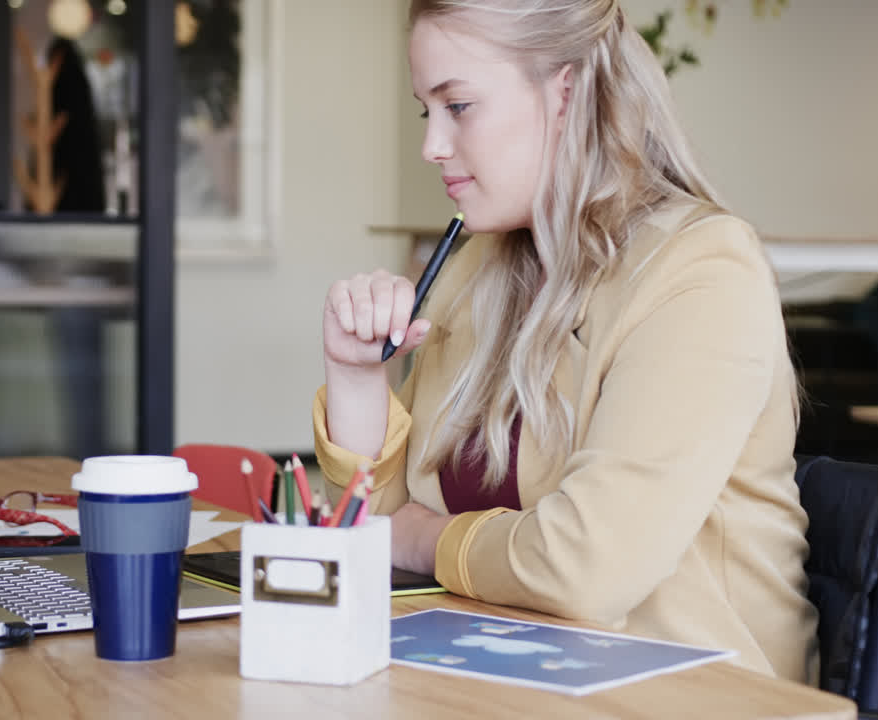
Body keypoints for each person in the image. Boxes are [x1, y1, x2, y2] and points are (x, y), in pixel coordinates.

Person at [312, 0, 817, 683]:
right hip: (498, 678)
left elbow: (587, 569)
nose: (432, 144)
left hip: (683, 694)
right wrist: (355, 378)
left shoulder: (703, 273)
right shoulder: (475, 269)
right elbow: (371, 528)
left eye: (458, 106)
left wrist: (428, 541)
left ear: (566, 93)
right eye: (424, 111)